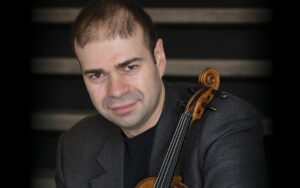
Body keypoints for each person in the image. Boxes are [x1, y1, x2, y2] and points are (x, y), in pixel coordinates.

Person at [55, 0, 269, 187]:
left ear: (158, 58)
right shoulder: (75, 146)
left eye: (129, 67)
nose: (116, 91)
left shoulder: (226, 124)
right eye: (96, 75)